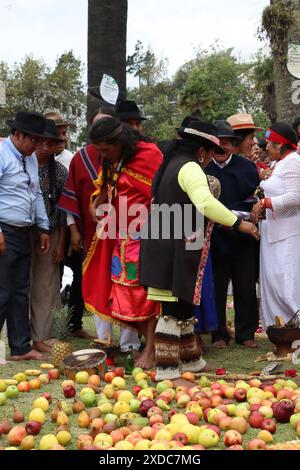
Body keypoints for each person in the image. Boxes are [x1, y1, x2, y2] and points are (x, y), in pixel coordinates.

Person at [139, 121, 259, 383]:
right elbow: (205, 203)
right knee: (171, 308)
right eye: (211, 153)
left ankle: (192, 361)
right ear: (203, 151)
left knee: (182, 305)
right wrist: (239, 223)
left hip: (169, 242)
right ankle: (167, 370)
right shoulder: (190, 167)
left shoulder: (172, 163)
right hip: (170, 246)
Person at [83, 117, 163, 369]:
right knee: (124, 293)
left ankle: (151, 349)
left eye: (106, 149)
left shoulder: (148, 154)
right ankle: (147, 346)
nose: (103, 155)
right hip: (120, 237)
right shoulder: (111, 159)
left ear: (119, 142)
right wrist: (98, 203)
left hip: (147, 236)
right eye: (100, 151)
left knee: (146, 294)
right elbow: (108, 186)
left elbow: (163, 194)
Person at [58, 110, 141, 351]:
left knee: (128, 282)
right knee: (97, 280)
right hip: (94, 234)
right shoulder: (80, 158)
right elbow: (71, 197)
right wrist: (73, 230)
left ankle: (130, 342)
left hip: (129, 234)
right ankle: (103, 337)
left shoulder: (132, 156)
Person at [205, 120, 260, 349]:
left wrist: (241, 215)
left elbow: (254, 199)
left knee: (245, 284)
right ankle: (219, 334)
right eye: (218, 143)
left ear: (234, 145)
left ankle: (246, 333)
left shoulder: (247, 167)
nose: (222, 147)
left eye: (227, 143)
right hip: (214, 238)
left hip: (244, 237)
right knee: (216, 286)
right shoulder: (202, 170)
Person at [0, 112, 50, 360]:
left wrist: (43, 227)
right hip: (4, 230)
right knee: (2, 290)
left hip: (24, 232)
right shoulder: (1, 153)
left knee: (21, 290)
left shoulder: (29, 159)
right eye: (34, 140)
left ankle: (20, 347)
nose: (38, 146)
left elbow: (37, 194)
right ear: (18, 135)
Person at [251, 123, 300, 330]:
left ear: (280, 146)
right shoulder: (278, 163)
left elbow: (296, 197)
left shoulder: (293, 162)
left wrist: (264, 203)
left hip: (288, 233)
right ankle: (278, 328)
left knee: (286, 283)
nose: (266, 148)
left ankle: (295, 326)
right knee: (272, 282)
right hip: (271, 231)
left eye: (270, 144)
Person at [30, 119, 68, 353]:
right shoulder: (24, 165)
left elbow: (64, 211)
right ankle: (23, 335)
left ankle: (43, 335)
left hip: (52, 232)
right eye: (41, 142)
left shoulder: (61, 171)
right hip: (24, 231)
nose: (45, 148)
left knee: (46, 284)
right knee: (22, 283)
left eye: (50, 143)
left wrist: (61, 243)